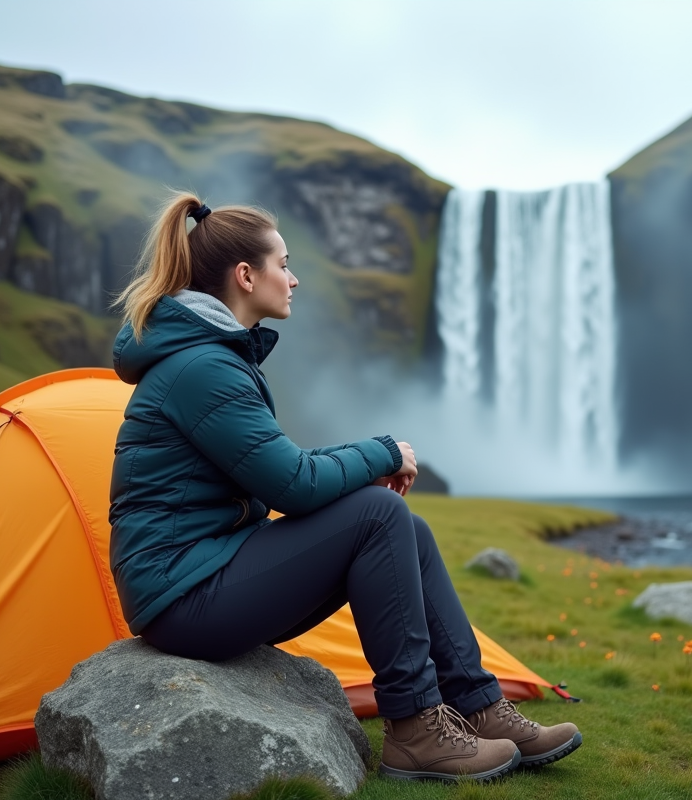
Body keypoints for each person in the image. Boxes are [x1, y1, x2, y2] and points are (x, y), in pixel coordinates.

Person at [107, 192, 581, 783]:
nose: (294, 278)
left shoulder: (209, 358)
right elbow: (294, 485)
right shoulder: (201, 368)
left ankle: (480, 708)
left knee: (403, 522)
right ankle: (413, 729)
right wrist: (382, 452)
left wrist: (369, 462)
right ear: (246, 276)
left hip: (207, 572)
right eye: (284, 264)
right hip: (184, 598)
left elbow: (283, 464)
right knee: (380, 514)